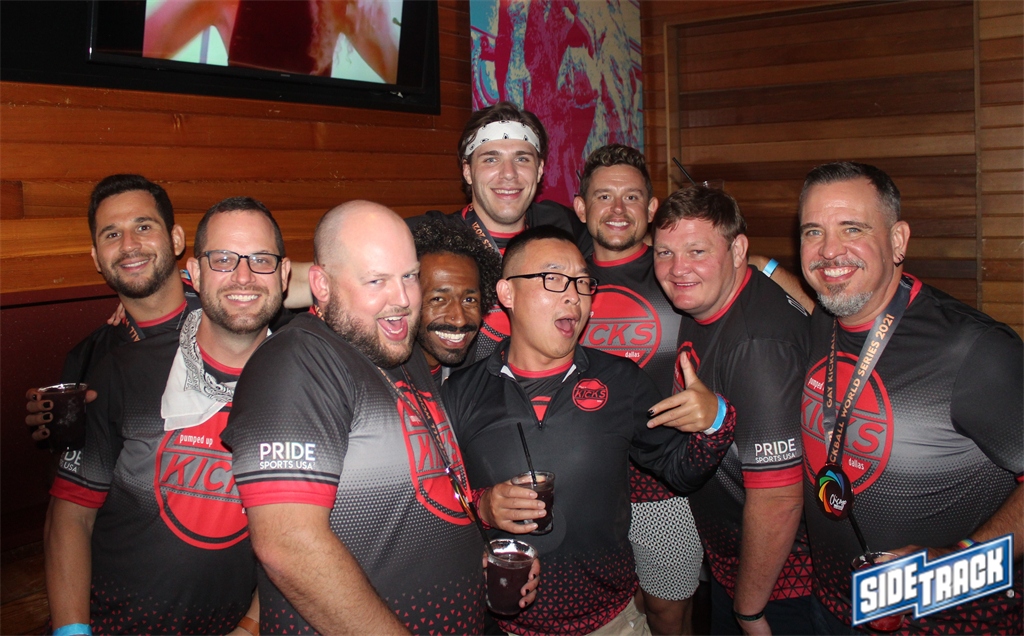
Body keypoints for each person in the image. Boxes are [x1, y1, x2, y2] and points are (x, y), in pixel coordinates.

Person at [222, 201, 539, 634]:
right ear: (322, 285)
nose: (403, 300)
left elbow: (417, 502)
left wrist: (472, 558)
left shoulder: (397, 351)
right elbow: (288, 546)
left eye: (409, 277)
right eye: (377, 280)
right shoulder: (298, 361)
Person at [443, 226, 736, 636]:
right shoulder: (460, 392)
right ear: (507, 293)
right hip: (502, 625)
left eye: (582, 282)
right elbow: (435, 500)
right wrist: (482, 506)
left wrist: (715, 420)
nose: (573, 296)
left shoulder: (621, 381)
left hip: (611, 621)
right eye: (553, 278)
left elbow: (681, 471)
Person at [44, 197, 291, 635]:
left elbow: (301, 531)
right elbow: (71, 514)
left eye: (261, 259)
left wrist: (250, 626)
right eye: (222, 259)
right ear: (194, 271)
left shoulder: (304, 383)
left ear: (285, 274)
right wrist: (72, 631)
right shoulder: (120, 370)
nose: (243, 276)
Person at [797, 161, 1023, 634]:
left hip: (948, 619)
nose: (829, 250)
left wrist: (960, 561)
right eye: (813, 231)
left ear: (898, 240)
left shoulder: (975, 351)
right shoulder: (823, 320)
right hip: (831, 605)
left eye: (852, 228)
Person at [652, 186, 815, 635]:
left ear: (737, 250)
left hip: (781, 582)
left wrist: (749, 610)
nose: (677, 268)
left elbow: (779, 500)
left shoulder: (757, 347)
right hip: (739, 563)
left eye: (697, 251)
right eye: (665, 252)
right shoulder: (715, 296)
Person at [573, 144, 703, 635]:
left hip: (662, 482)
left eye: (631, 197)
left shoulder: (678, 271)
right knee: (609, 615)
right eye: (603, 196)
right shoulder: (560, 274)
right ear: (581, 208)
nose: (617, 209)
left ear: (651, 208)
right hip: (584, 480)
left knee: (667, 610)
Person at [408, 101, 592, 364]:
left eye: (522, 159)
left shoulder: (564, 228)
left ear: (540, 169)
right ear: (467, 171)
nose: (509, 174)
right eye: (491, 159)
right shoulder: (424, 239)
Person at [26, 174, 200, 441]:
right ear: (97, 258)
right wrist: (74, 433)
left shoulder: (232, 319)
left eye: (143, 227)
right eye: (112, 234)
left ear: (175, 240)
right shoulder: (87, 359)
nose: (128, 245)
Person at [412, 217, 502, 389]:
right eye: (438, 299)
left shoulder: (478, 377)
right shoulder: (377, 380)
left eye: (469, 300)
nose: (460, 319)